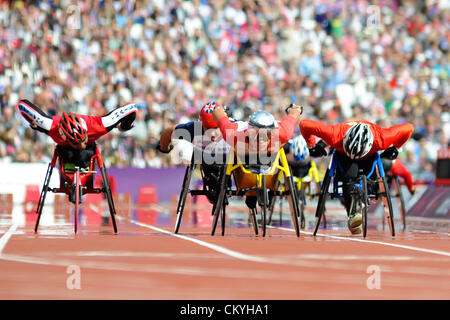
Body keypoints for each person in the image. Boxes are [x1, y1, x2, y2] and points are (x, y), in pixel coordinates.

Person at [300, 119, 414, 234]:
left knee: (373, 169)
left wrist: (396, 148)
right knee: (348, 176)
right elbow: (304, 124)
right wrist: (311, 145)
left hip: (369, 155)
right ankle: (352, 213)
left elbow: (409, 128)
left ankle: (369, 191)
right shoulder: (335, 135)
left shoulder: (381, 138)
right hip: (344, 154)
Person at [17, 99, 138, 202]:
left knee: (87, 151)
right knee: (67, 152)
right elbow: (22, 105)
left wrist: (124, 127)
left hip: (88, 152)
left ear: (86, 133)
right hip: (65, 150)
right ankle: (70, 176)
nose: (81, 145)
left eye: (83, 140)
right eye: (77, 143)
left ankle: (82, 174)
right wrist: (34, 123)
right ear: (65, 137)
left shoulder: (98, 125)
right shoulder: (52, 126)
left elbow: (132, 108)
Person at [212, 103, 303, 209]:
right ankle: (249, 190)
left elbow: (293, 114)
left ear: (273, 133)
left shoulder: (283, 133)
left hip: (269, 156)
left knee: (277, 154)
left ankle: (269, 186)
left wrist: (295, 109)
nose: (262, 139)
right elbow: (219, 115)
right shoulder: (233, 134)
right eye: (257, 134)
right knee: (234, 152)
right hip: (244, 153)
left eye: (267, 135)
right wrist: (220, 109)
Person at [157, 101, 247, 203]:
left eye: (216, 128)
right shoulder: (194, 129)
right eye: (208, 128)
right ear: (201, 124)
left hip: (233, 162)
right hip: (209, 163)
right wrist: (164, 147)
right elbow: (168, 132)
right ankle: (212, 182)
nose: (212, 133)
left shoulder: (237, 126)